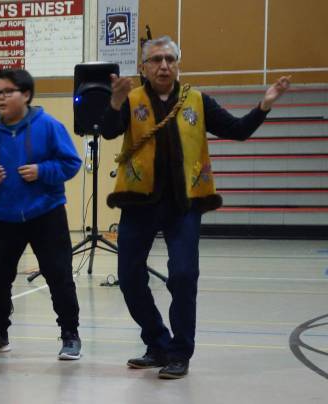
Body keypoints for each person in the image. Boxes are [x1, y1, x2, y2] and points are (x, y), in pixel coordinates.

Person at [102, 36, 292, 379]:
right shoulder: (131, 100)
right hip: (138, 203)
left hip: (183, 204)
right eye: (156, 59)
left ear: (178, 64)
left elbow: (237, 130)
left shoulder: (198, 101)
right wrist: (114, 103)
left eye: (170, 59)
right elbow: (108, 131)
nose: (164, 65)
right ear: (143, 67)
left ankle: (179, 353)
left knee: (184, 276)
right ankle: (157, 342)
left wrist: (264, 105)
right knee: (130, 279)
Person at [0, 68, 83, 360]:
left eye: (7, 91)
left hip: (46, 215)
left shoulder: (49, 126)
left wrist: (43, 171)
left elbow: (71, 163)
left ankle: (70, 335)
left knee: (59, 277)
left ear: (26, 94)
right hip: (3, 219)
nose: (1, 98)